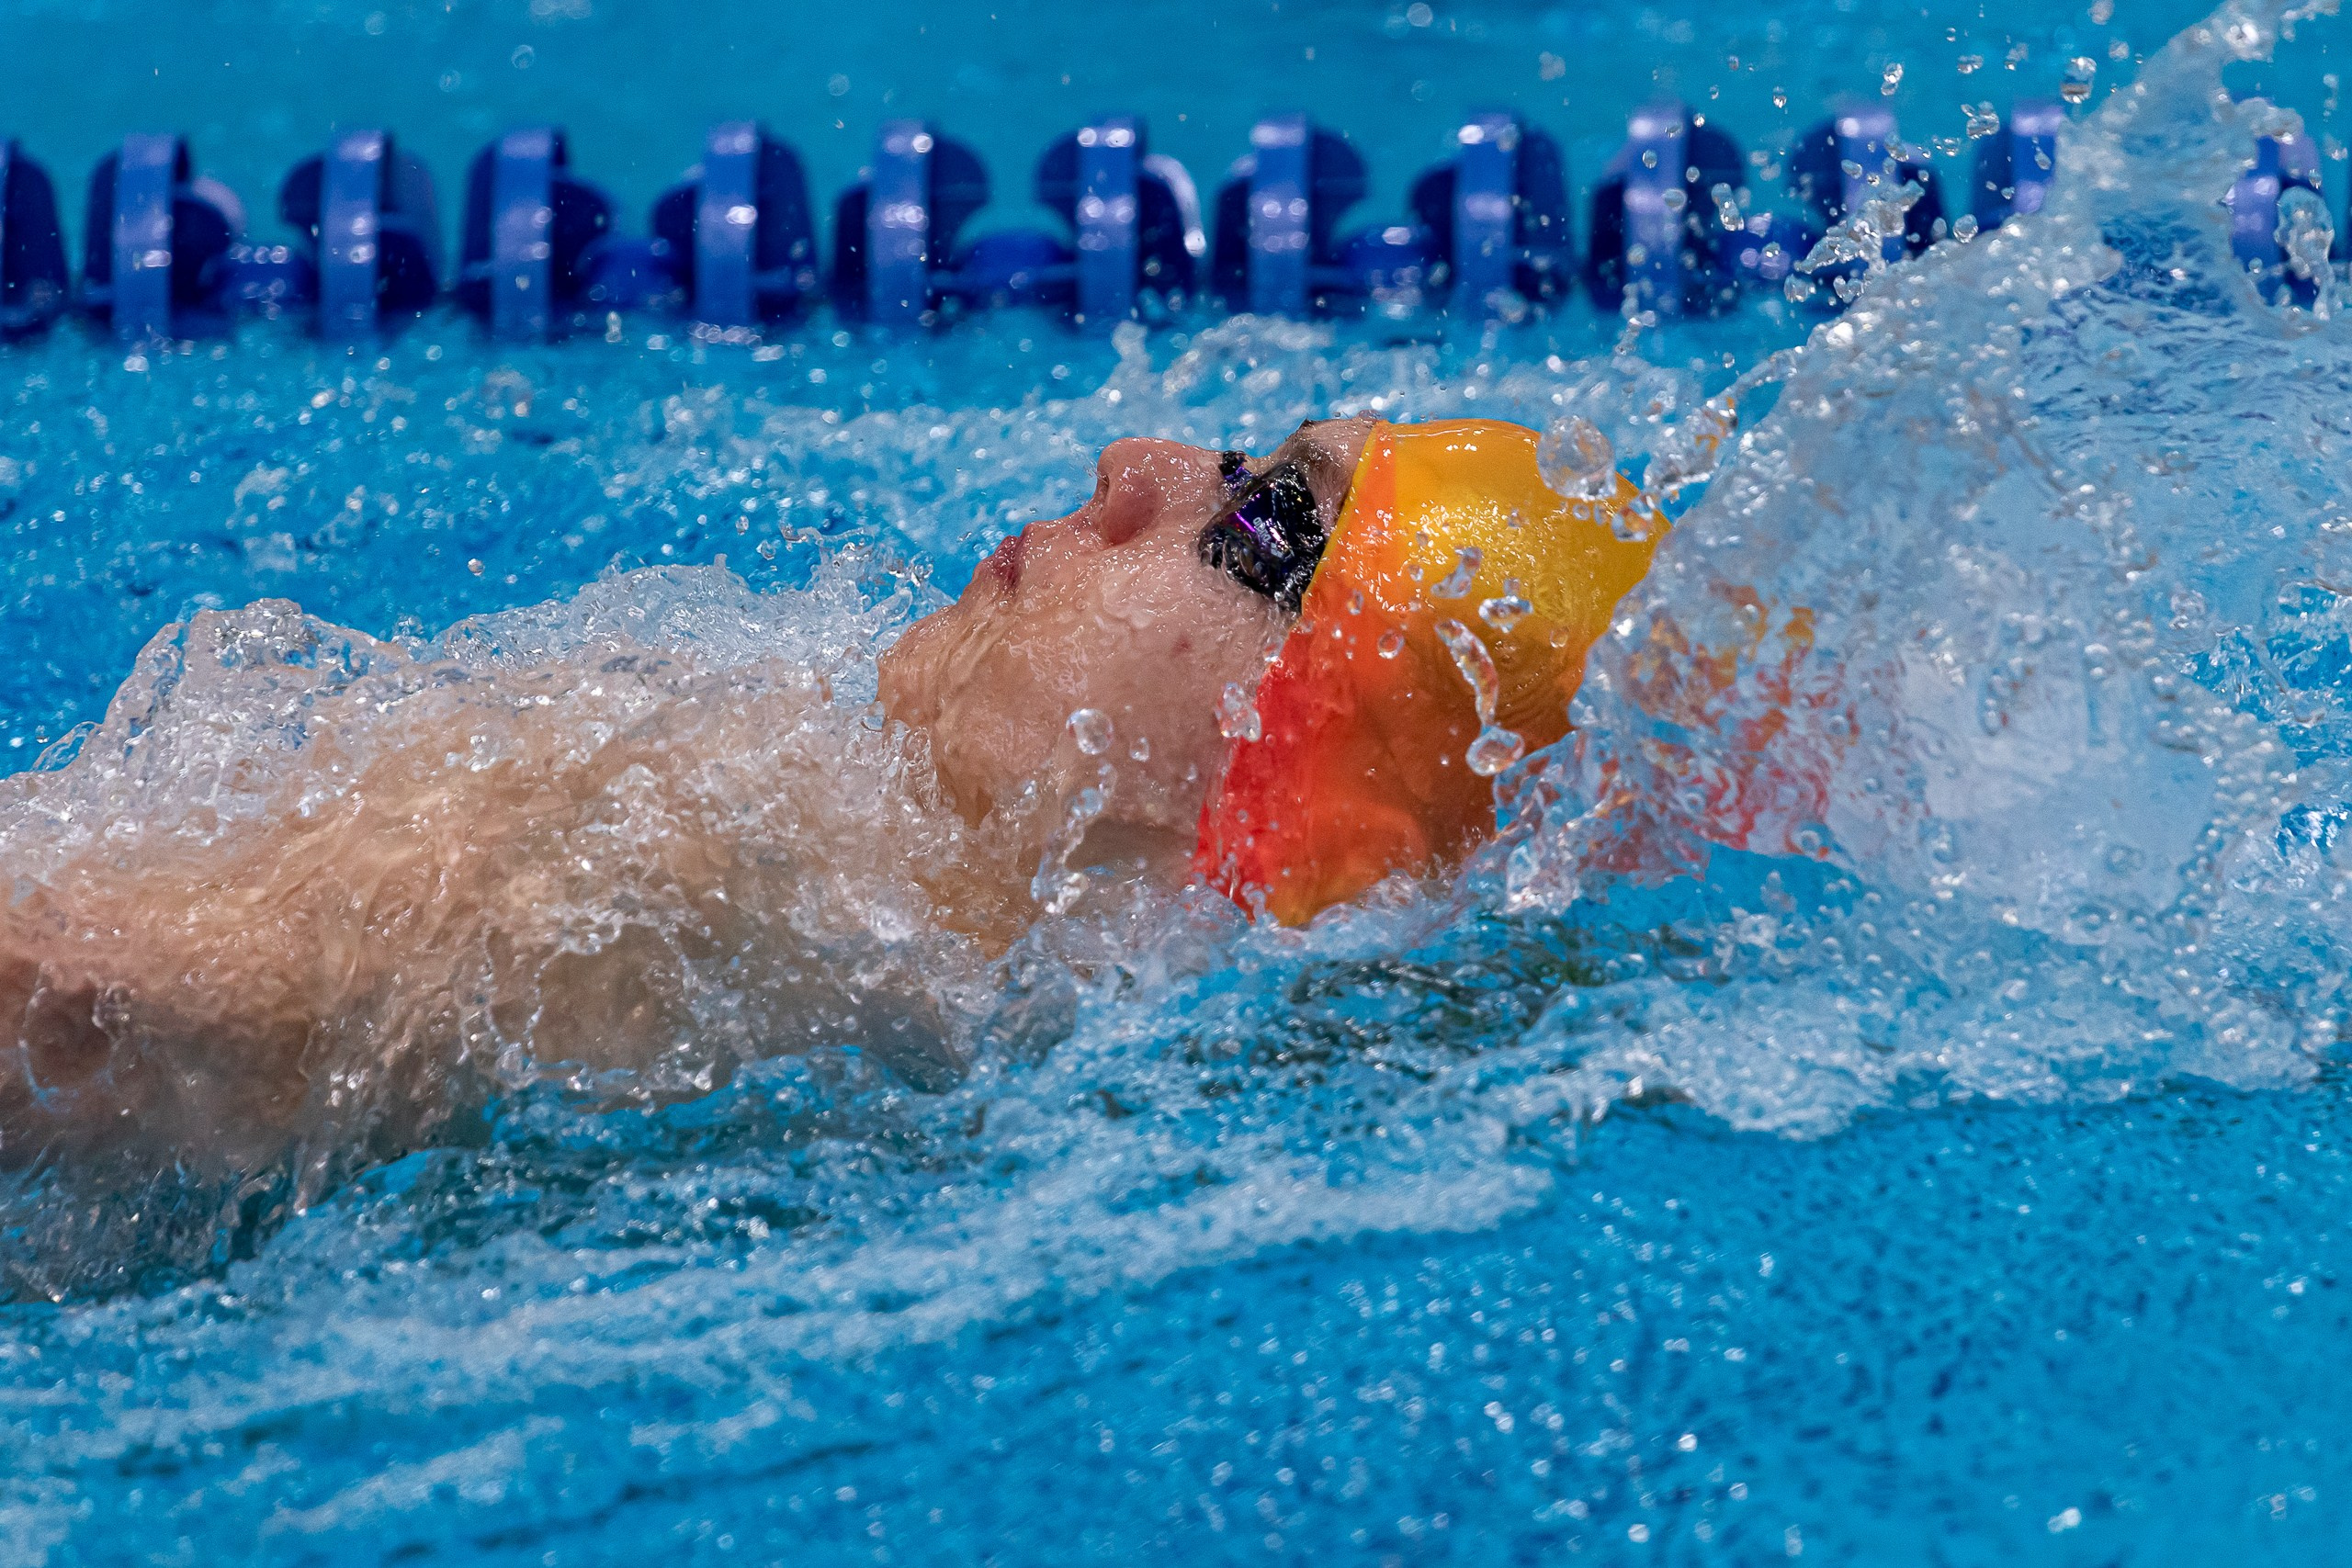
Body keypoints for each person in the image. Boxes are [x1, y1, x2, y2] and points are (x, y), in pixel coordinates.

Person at [0, 411, 1700, 1172]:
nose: (1138, 466)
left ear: (1291, 823)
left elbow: (93, 1006)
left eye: (1261, 527)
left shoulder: (718, 878)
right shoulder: (899, 970)